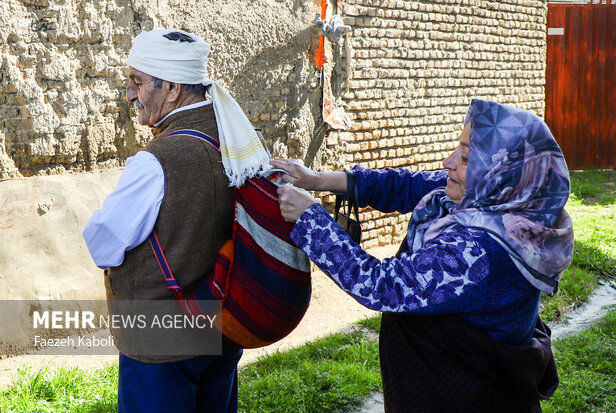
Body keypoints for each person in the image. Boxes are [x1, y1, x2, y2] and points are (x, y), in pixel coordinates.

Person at [273, 99, 573, 412]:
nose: (448, 161)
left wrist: (311, 219)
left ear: (500, 174)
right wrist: (316, 180)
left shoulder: (484, 250)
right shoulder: (499, 203)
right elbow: (404, 185)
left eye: (467, 156)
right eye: (458, 148)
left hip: (463, 396)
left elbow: (382, 285)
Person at [83, 29, 270, 413]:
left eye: (137, 82)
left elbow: (104, 245)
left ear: (170, 88)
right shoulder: (235, 141)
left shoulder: (155, 162)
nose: (130, 93)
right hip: (218, 327)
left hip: (159, 345)